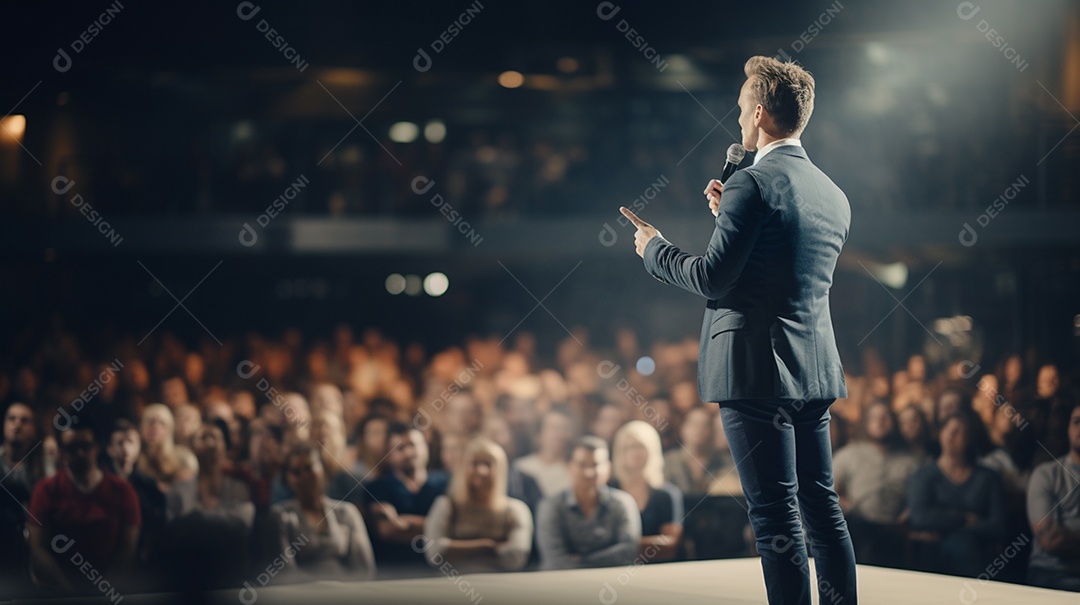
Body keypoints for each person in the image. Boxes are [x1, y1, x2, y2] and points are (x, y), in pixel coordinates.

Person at [620, 55, 856, 604]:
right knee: (821, 506)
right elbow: (781, 267)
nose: (739, 120)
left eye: (742, 109)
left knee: (775, 511)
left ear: (759, 115)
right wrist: (731, 220)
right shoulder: (833, 195)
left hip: (755, 370)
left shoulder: (752, 182)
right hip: (814, 368)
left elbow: (712, 279)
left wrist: (654, 248)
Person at [27, 417, 140, 595]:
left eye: (85, 446)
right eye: (72, 448)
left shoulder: (122, 490)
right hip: (59, 594)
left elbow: (128, 549)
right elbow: (38, 549)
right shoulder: (46, 490)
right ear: (62, 451)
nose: (80, 453)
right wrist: (70, 594)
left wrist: (104, 590)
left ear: (97, 447)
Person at [906, 411, 1006, 577]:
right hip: (931, 551)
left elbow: (998, 525)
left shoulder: (988, 477)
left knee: (964, 545)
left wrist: (942, 525)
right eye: (948, 429)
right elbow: (919, 517)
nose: (952, 435)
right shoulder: (923, 475)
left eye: (960, 431)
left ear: (970, 438)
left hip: (975, 548)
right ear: (940, 433)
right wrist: (965, 519)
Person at [422, 437, 532, 573]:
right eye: (474, 463)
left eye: (488, 464)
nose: (481, 471)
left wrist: (456, 548)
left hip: (500, 586)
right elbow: (435, 553)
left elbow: (516, 557)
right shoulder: (446, 505)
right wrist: (488, 546)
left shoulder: (515, 510)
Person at [269, 441, 375, 581]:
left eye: (309, 468)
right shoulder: (280, 516)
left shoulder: (347, 512)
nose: (304, 476)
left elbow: (364, 568)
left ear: (323, 470)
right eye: (296, 472)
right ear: (287, 478)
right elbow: (286, 571)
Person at [832, 402, 917, 568]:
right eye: (874, 418)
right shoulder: (848, 454)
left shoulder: (910, 461)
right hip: (858, 524)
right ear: (866, 422)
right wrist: (845, 504)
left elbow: (919, 495)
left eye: (885, 417)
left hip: (894, 527)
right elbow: (829, 491)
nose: (880, 422)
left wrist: (909, 513)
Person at [536, 435, 640, 570]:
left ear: (608, 468)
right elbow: (555, 560)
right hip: (561, 584)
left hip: (612, 582)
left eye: (596, 465)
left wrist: (582, 559)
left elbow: (628, 551)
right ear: (569, 466)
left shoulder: (623, 503)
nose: (589, 472)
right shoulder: (551, 506)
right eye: (582, 465)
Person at [361, 421, 449, 576]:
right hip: (394, 572)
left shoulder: (447, 483)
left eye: (413, 445)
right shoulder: (378, 488)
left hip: (442, 572)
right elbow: (389, 530)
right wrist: (439, 527)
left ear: (425, 447)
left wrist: (405, 522)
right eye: (400, 448)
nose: (409, 453)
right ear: (388, 455)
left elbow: (459, 527)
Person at [609, 421, 684, 562]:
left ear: (652, 449)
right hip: (615, 569)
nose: (634, 452)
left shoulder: (667, 494)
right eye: (628, 447)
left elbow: (670, 544)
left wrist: (623, 547)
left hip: (659, 569)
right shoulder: (609, 492)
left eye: (639, 446)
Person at [1025, 401, 1080, 591]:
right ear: (1067, 428)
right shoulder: (1046, 474)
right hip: (1051, 575)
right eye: (1076, 421)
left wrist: (1070, 536)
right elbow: (1050, 539)